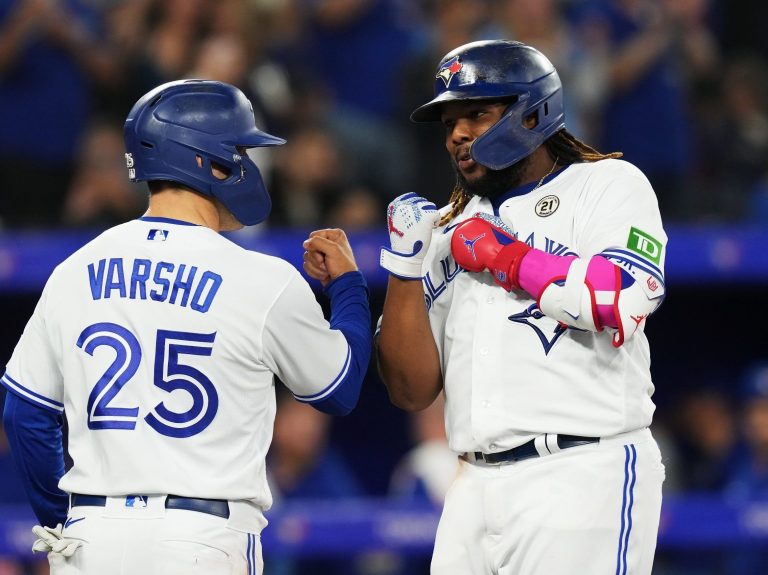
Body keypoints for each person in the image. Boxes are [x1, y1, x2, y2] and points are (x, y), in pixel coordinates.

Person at [0, 79, 372, 575]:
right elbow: (339, 388)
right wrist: (348, 284)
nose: (250, 164)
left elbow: (24, 415)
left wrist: (63, 521)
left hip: (93, 536)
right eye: (240, 150)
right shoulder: (260, 277)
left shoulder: (74, 270)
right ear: (206, 160)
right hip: (201, 537)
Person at [375, 40, 667, 574]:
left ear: (533, 113)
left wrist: (507, 257)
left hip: (582, 471)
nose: (458, 134)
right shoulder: (446, 230)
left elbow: (619, 296)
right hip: (472, 486)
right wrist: (404, 270)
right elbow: (410, 390)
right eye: (449, 123)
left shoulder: (606, 184)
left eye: (477, 113)